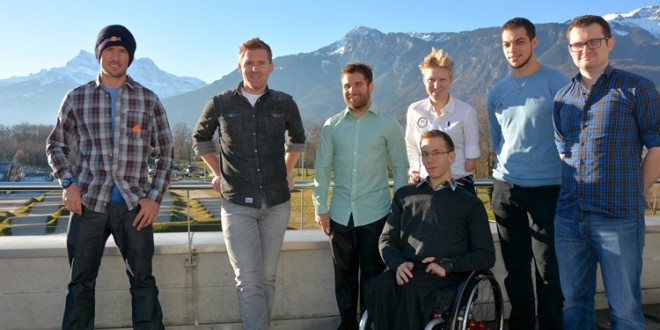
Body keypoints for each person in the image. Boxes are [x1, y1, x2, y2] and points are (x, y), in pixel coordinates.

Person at [46, 24, 173, 329]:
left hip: (135, 208)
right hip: (88, 204)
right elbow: (55, 144)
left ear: (130, 57)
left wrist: (154, 199)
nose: (115, 57)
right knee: (80, 284)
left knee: (143, 282)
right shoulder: (76, 97)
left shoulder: (148, 99)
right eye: (109, 50)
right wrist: (68, 183)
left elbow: (166, 152)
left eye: (122, 51)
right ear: (99, 54)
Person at [553, 15, 660, 330]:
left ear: (609, 42)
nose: (585, 49)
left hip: (618, 218)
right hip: (570, 217)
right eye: (577, 44)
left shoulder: (636, 88)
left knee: (625, 309)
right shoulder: (563, 98)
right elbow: (564, 152)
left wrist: (632, 193)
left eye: (593, 41)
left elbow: (656, 148)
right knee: (573, 305)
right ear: (569, 49)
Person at [192, 37, 306, 330]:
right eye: (248, 63)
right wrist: (217, 172)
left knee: (266, 278)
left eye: (260, 63)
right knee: (248, 279)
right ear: (239, 66)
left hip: (276, 203)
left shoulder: (285, 102)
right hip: (236, 204)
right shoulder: (220, 102)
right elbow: (200, 138)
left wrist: (286, 169)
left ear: (271, 66)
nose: (254, 68)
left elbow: (298, 140)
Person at [366, 130, 495, 330]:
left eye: (437, 153)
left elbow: (486, 255)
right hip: (407, 269)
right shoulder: (405, 195)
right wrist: (398, 264)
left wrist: (449, 265)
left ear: (452, 156)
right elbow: (386, 240)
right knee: (378, 285)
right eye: (425, 154)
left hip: (447, 275)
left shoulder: (469, 203)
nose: (430, 159)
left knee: (411, 290)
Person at [312, 63, 409, 330]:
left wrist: (397, 212)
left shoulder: (389, 125)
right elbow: (322, 169)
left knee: (373, 280)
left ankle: (370, 325)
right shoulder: (332, 126)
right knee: (343, 281)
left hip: (376, 215)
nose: (351, 90)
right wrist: (321, 207)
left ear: (370, 87)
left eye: (357, 84)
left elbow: (401, 169)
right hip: (340, 215)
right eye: (346, 86)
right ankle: (347, 325)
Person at [486, 17, 568, 330]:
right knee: (515, 270)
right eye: (506, 44)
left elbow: (571, 136)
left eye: (519, 41)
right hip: (506, 189)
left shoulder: (557, 83)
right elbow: (498, 140)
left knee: (548, 271)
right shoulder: (497, 91)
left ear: (534, 42)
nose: (513, 49)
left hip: (547, 189)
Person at [405, 48, 480, 194]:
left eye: (442, 80)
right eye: (431, 80)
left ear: (451, 79)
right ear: (423, 81)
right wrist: (414, 169)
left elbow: (471, 154)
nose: (436, 85)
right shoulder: (414, 110)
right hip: (424, 185)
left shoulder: (466, 112)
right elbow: (411, 144)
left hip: (459, 185)